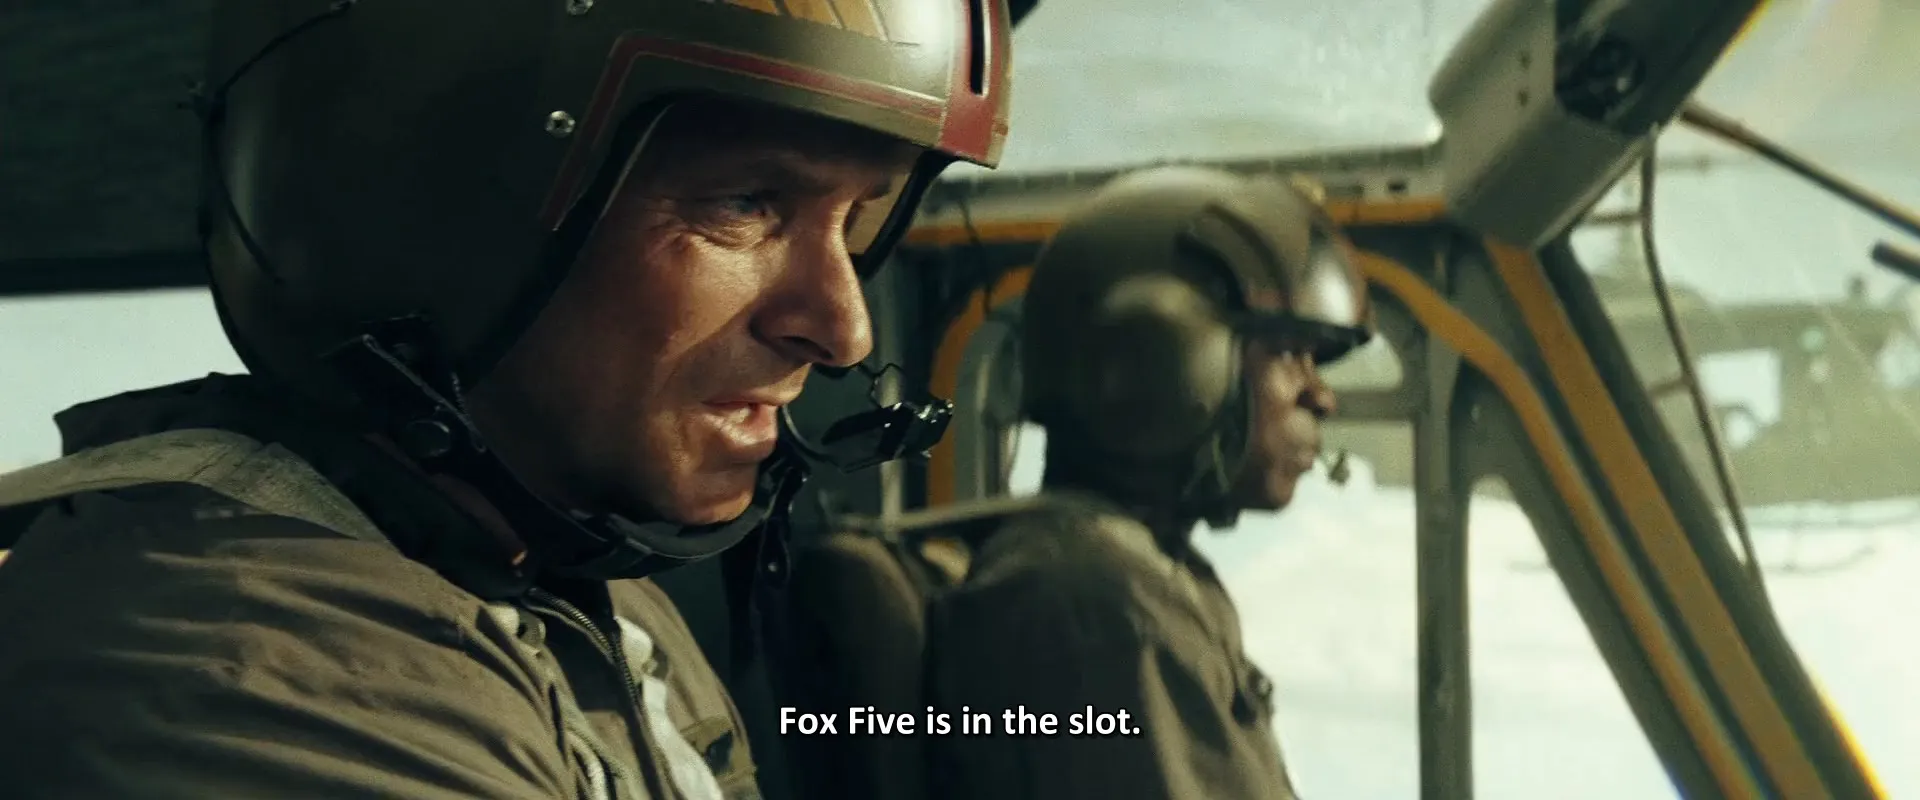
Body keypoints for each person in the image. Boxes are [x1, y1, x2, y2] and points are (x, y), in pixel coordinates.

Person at [0, 1, 1012, 798]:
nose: (843, 330)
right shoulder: (240, 667)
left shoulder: (582, 595)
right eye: (747, 204)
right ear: (430, 210)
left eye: (857, 219)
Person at [921, 166, 1373, 800]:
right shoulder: (1105, 605)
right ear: (1162, 354)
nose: (1321, 397)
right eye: (1287, 352)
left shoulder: (1139, 573)